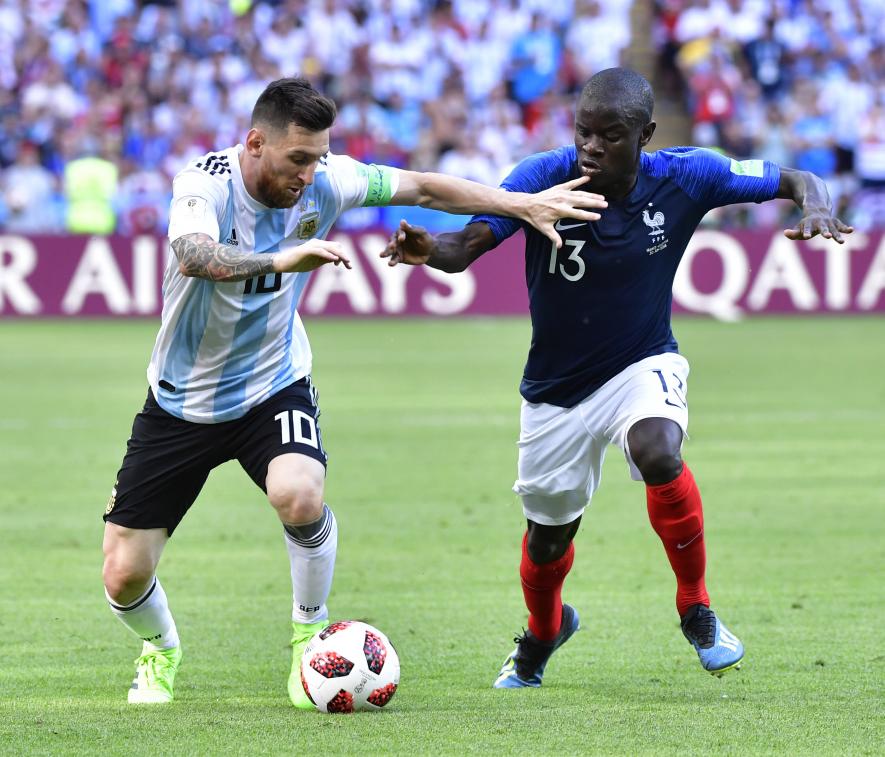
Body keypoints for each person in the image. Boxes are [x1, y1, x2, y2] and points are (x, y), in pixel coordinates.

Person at [101, 77, 606, 707]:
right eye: (298, 159)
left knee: (299, 492)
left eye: (319, 158)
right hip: (181, 402)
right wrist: (286, 260)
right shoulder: (203, 184)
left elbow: (423, 186)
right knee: (124, 574)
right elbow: (194, 255)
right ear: (255, 143)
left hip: (272, 384)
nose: (312, 175)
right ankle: (161, 649)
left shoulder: (329, 178)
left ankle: (310, 639)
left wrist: (517, 205)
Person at [382, 67, 853, 688]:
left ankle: (697, 608)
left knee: (659, 452)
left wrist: (815, 202)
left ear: (646, 135)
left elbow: (793, 177)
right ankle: (545, 632)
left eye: (609, 135)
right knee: (548, 542)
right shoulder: (543, 177)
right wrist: (427, 250)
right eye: (583, 132)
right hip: (554, 390)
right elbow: (467, 245)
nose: (591, 148)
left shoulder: (689, 174)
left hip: (642, 360)